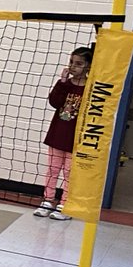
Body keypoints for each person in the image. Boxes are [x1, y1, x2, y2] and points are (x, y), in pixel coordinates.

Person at [35, 46, 92, 221]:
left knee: (70, 173)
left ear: (88, 67)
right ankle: (47, 200)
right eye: (71, 63)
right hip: (57, 135)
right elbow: (54, 102)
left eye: (79, 64)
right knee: (52, 170)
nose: (73, 67)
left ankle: (65, 204)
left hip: (75, 140)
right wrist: (62, 82)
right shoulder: (65, 85)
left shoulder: (90, 89)